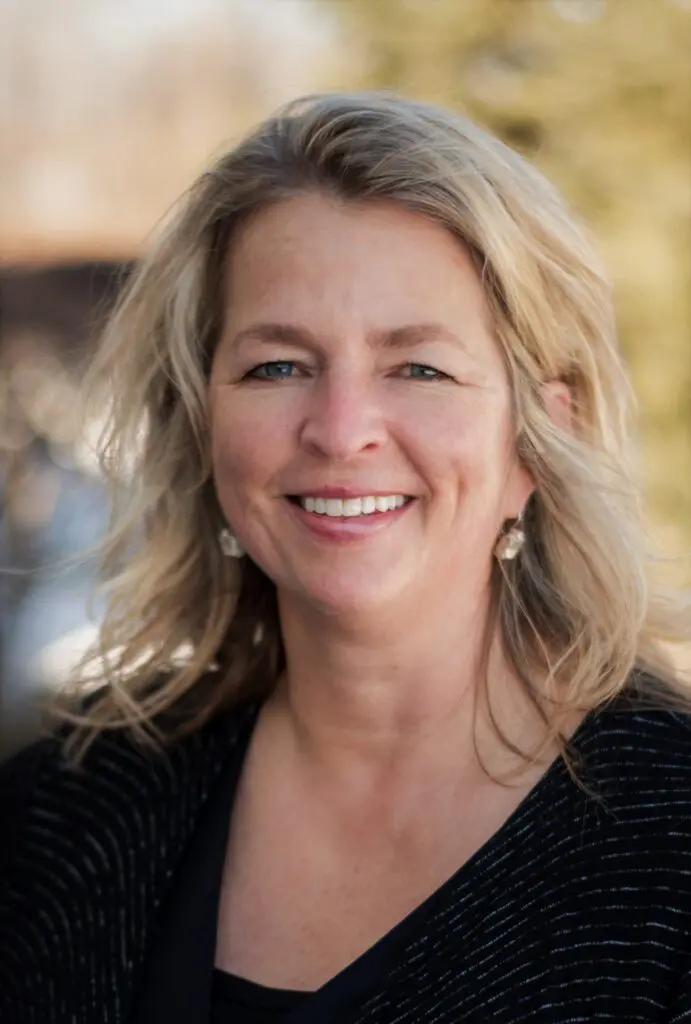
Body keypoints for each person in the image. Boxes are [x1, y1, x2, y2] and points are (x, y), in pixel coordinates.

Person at [1, 92, 690, 1024]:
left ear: (539, 435)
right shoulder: (60, 813)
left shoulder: (670, 845)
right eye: (277, 366)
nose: (340, 429)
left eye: (419, 367)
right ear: (203, 422)